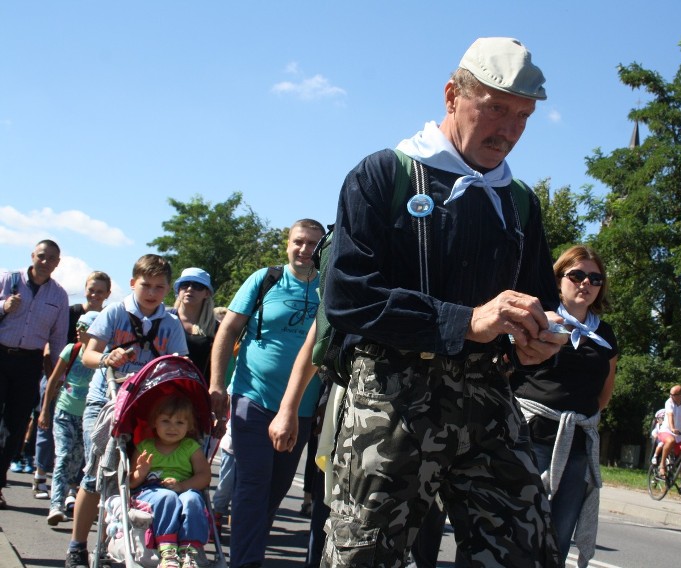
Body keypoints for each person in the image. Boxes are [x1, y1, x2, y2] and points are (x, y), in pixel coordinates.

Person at [319, 37, 565, 567]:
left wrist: (539, 340)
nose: (509, 130)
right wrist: (467, 320)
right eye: (496, 108)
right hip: (391, 396)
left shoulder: (520, 203)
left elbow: (539, 300)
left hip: (488, 396)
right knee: (364, 556)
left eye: (523, 116)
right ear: (453, 95)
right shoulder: (382, 174)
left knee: (526, 552)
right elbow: (348, 295)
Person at [209, 218, 326, 568]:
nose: (304, 250)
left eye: (312, 245)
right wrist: (217, 383)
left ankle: (249, 550)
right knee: (252, 485)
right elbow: (227, 330)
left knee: (274, 492)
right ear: (288, 243)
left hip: (301, 409)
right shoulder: (265, 279)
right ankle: (245, 563)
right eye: (298, 242)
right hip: (252, 397)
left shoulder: (329, 289)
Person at [65, 254, 189, 568]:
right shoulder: (116, 312)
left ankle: (114, 542)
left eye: (159, 287)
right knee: (98, 473)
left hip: (144, 406)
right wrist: (107, 358)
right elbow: (88, 355)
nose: (151, 293)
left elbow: (178, 363)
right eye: (146, 285)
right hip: (106, 400)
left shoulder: (170, 323)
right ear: (133, 283)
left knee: (131, 476)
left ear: (167, 290)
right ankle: (77, 545)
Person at [512, 244, 618, 566]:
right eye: (577, 275)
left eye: (595, 279)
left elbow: (604, 395)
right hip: (529, 441)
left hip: (577, 448)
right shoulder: (540, 319)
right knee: (517, 531)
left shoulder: (606, 335)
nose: (586, 283)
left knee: (558, 539)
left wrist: (573, 419)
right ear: (559, 279)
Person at [0, 239, 69, 509]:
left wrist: (58, 376)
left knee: (14, 427)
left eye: (51, 258)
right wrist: (4, 307)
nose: (45, 261)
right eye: (42, 256)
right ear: (32, 256)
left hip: (29, 362)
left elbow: (59, 337)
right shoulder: (9, 279)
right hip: (1, 352)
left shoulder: (58, 296)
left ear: (57, 263)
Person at [129, 394, 212, 568]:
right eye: (166, 421)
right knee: (167, 497)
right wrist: (140, 472)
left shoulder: (191, 447)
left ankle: (190, 550)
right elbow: (130, 483)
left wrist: (182, 486)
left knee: (193, 499)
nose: (172, 427)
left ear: (189, 426)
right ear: (154, 423)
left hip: (183, 488)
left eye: (180, 423)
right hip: (150, 491)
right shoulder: (145, 447)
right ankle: (167, 549)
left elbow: (204, 475)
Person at [39, 310, 100, 525]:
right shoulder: (71, 350)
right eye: (78, 326)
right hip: (64, 411)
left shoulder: (103, 356)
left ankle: (67, 496)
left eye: (83, 328)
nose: (78, 330)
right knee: (63, 456)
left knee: (77, 462)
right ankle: (55, 505)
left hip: (88, 417)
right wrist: (45, 409)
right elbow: (53, 380)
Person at [169, 268, 217, 380]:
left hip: (200, 391)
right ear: (178, 290)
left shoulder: (216, 328)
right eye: (185, 284)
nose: (190, 289)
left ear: (207, 293)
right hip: (165, 389)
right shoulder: (164, 319)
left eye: (197, 286)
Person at [67, 271, 112, 343]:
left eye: (99, 292)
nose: (94, 295)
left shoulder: (109, 319)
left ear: (108, 294)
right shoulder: (70, 312)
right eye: (91, 290)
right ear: (85, 289)